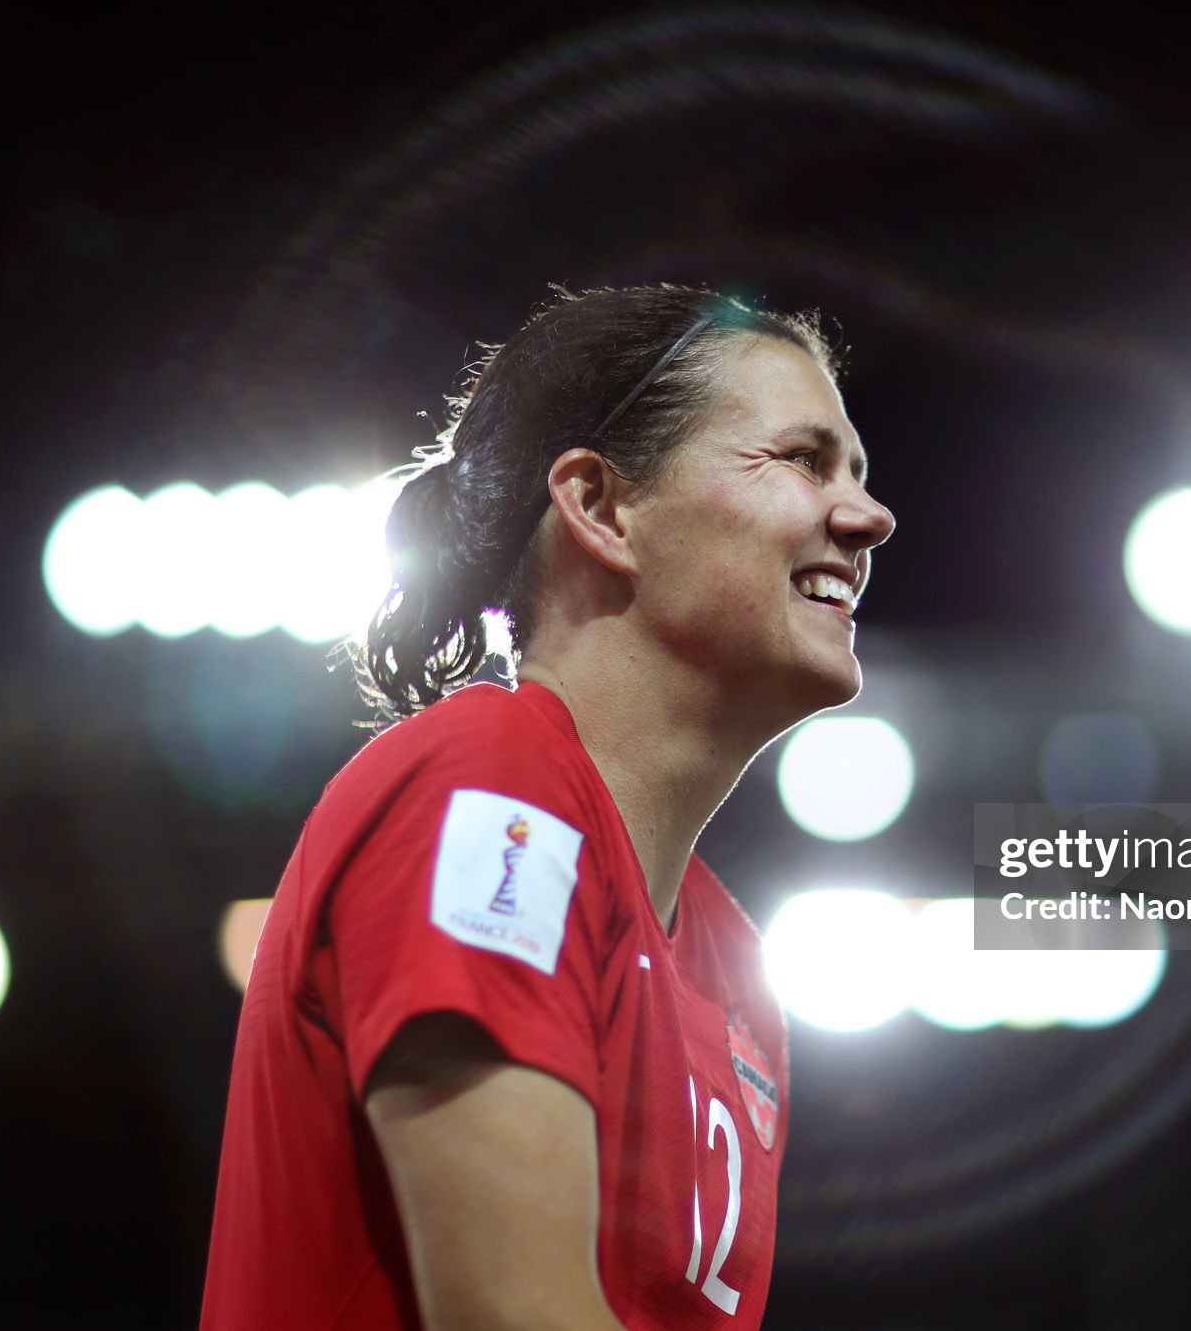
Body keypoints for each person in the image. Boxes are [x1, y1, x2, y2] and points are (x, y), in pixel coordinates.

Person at [200, 284, 896, 1330]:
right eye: (801, 459)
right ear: (602, 507)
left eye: (857, 474)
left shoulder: (736, 970)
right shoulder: (491, 789)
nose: (867, 515)